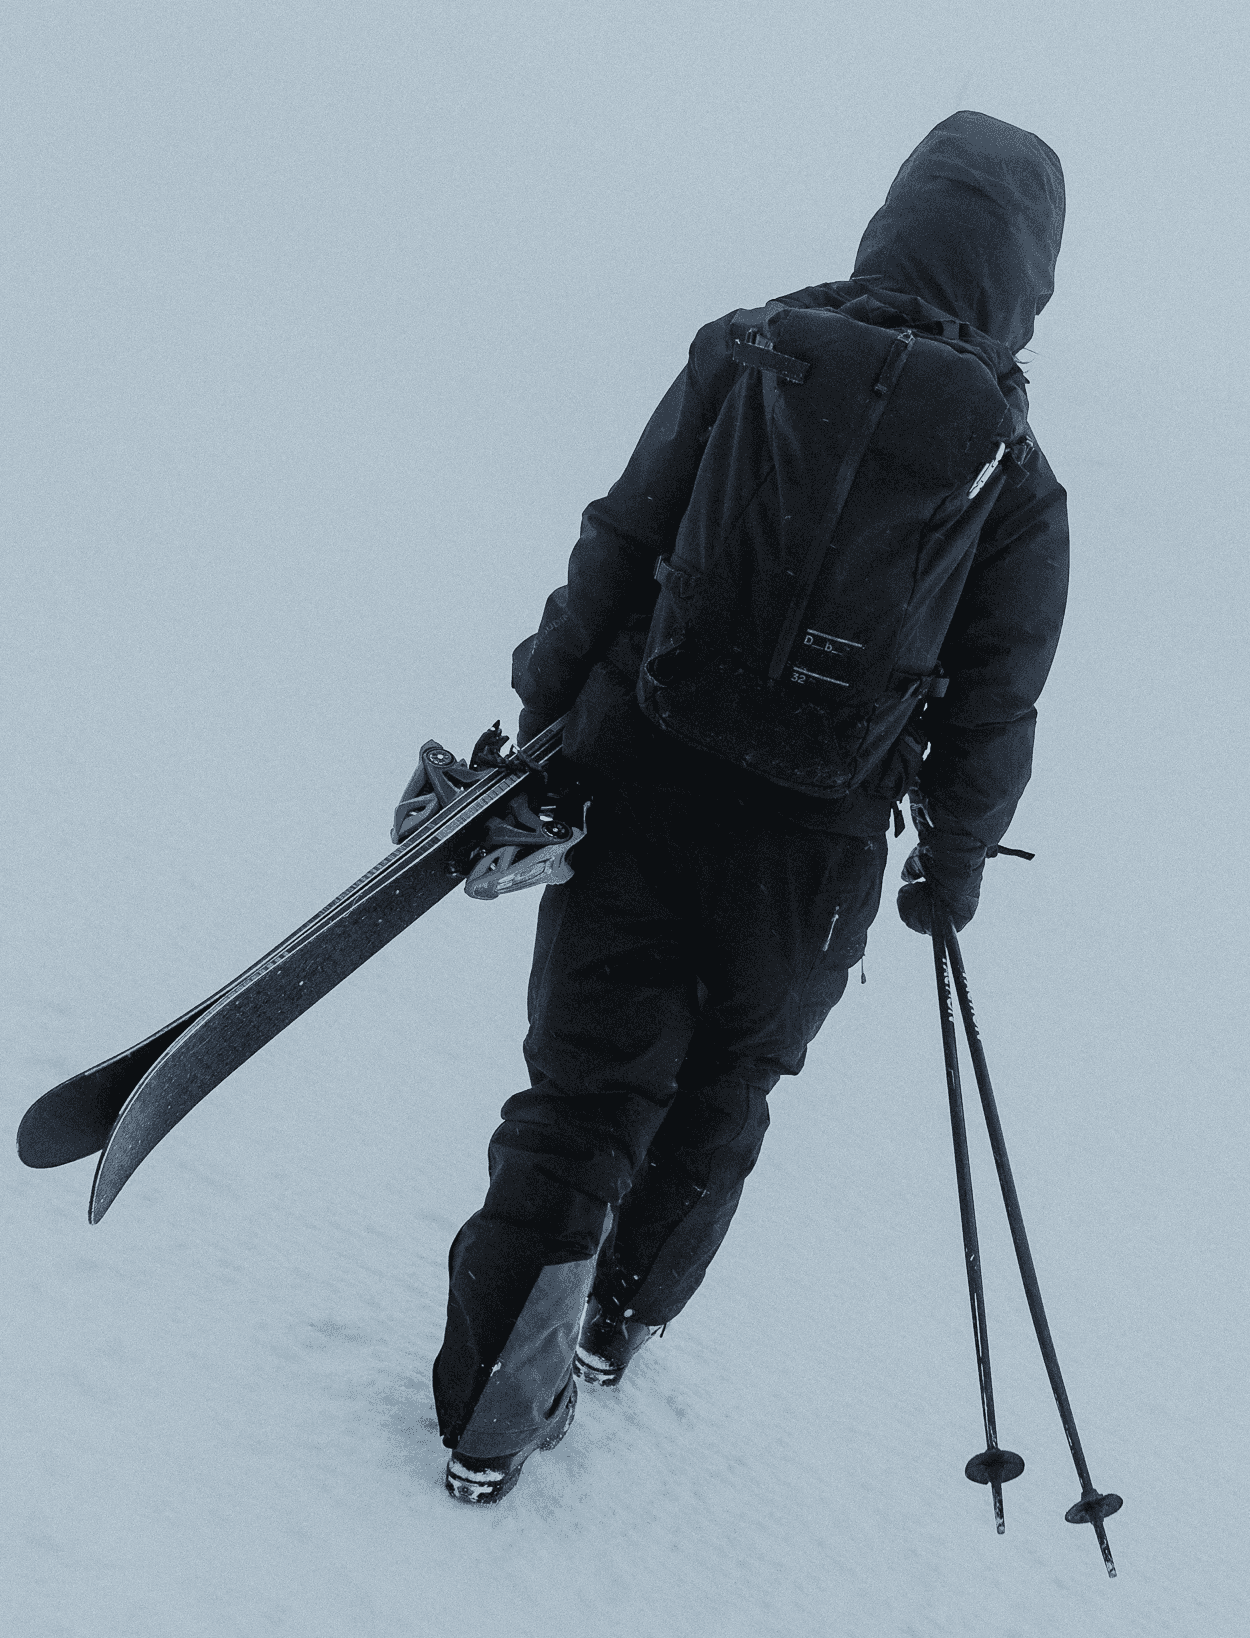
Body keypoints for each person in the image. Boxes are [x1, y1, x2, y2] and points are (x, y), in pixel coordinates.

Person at [430, 110, 1070, 1503]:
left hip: (635, 765)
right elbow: (992, 699)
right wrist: (949, 864)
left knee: (586, 1090)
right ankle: (620, 1324)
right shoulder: (1012, 476)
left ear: (891, 221)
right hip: (815, 847)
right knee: (727, 1081)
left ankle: (492, 1399)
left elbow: (625, 531)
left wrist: (545, 705)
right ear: (1026, 279)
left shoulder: (750, 348)